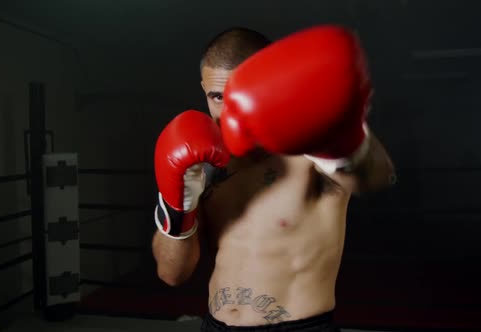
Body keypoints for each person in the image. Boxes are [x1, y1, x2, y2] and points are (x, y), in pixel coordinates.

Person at [152, 25, 396, 332]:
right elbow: (171, 274)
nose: (228, 114)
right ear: (203, 88)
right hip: (216, 326)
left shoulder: (308, 148)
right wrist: (178, 206)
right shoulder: (204, 162)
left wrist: (343, 137)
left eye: (241, 97)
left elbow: (377, 176)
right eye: (216, 97)